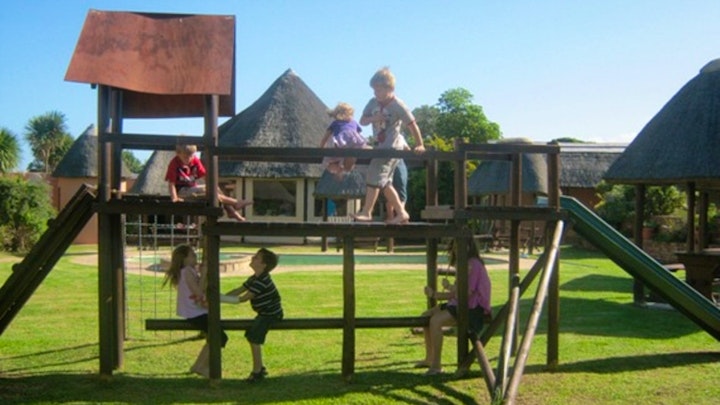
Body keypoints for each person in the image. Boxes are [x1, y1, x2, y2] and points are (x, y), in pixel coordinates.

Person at [352, 67, 424, 224]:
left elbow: (412, 125)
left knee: (374, 175)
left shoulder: (398, 105)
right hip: (380, 147)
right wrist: (374, 118)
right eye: (374, 90)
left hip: (391, 148)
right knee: (384, 182)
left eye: (378, 90)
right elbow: (362, 121)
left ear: (389, 88)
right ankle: (401, 213)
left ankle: (367, 212)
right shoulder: (372, 103)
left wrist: (420, 144)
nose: (375, 93)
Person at [415, 239, 492, 376]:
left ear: (468, 246)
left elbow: (465, 294)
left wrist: (438, 294)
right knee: (426, 316)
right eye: (454, 247)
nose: (456, 250)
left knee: (435, 321)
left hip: (473, 308)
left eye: (459, 246)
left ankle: (436, 366)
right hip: (460, 303)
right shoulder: (464, 264)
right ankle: (429, 358)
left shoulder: (473, 264)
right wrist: (443, 290)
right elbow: (458, 292)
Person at [162, 244, 228, 378]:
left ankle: (198, 366)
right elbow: (198, 292)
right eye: (192, 254)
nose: (195, 256)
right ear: (184, 259)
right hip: (195, 313)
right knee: (219, 337)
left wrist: (202, 274)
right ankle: (201, 367)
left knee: (217, 337)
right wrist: (203, 275)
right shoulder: (186, 271)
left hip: (196, 311)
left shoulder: (189, 271)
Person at [225, 248, 283, 382]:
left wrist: (221, 299)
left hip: (271, 314)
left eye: (256, 257)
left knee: (254, 337)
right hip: (264, 313)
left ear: (263, 265)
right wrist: (220, 296)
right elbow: (239, 290)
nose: (252, 258)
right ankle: (259, 368)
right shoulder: (255, 278)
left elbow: (244, 298)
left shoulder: (262, 281)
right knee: (252, 336)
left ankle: (257, 371)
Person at [165, 143, 252, 221]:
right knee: (208, 191)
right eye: (186, 157)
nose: (189, 159)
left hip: (192, 188)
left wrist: (212, 187)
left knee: (214, 188)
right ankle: (235, 203)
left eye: (191, 156)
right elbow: (171, 184)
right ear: (178, 154)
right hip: (181, 191)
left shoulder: (194, 160)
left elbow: (205, 176)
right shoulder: (174, 163)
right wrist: (175, 198)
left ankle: (231, 211)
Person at [319, 102, 369, 177]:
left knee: (330, 163)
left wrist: (321, 148)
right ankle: (345, 169)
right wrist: (364, 146)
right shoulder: (354, 123)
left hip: (340, 144)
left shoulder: (335, 123)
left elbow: (325, 137)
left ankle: (340, 170)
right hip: (353, 144)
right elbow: (359, 136)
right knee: (351, 159)